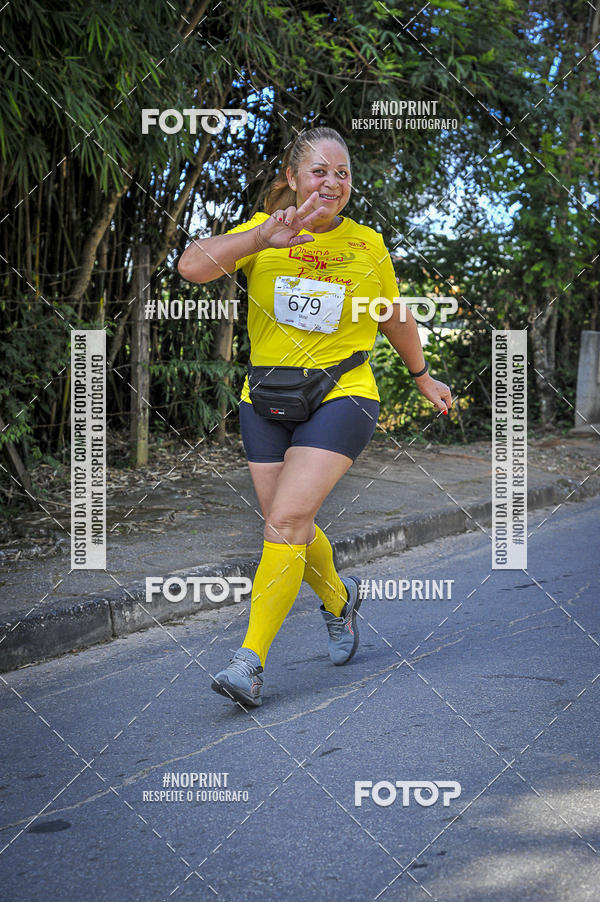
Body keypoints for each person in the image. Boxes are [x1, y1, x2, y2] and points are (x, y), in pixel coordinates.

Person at [178, 126, 452, 707]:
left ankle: (248, 663)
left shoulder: (366, 244)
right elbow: (190, 268)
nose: (333, 182)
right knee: (288, 522)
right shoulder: (267, 230)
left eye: (343, 173)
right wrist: (259, 240)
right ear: (291, 179)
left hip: (343, 390)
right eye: (320, 171)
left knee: (287, 519)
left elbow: (393, 314)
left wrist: (422, 376)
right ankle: (340, 601)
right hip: (266, 398)